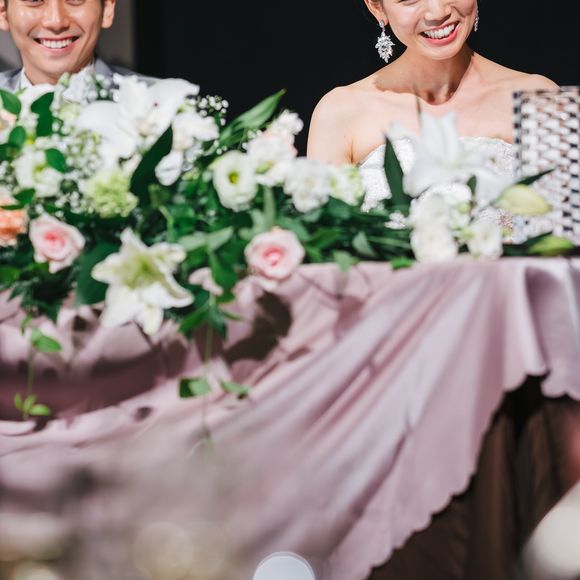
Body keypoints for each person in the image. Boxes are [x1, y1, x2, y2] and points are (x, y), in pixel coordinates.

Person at [307, 0, 557, 171]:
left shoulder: (538, 98)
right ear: (377, 8)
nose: (437, 12)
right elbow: (325, 229)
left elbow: (563, 226)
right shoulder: (340, 111)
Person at [0, 0, 131, 91]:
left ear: (107, 9)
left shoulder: (143, 102)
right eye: (34, 0)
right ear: (3, 13)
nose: (56, 22)